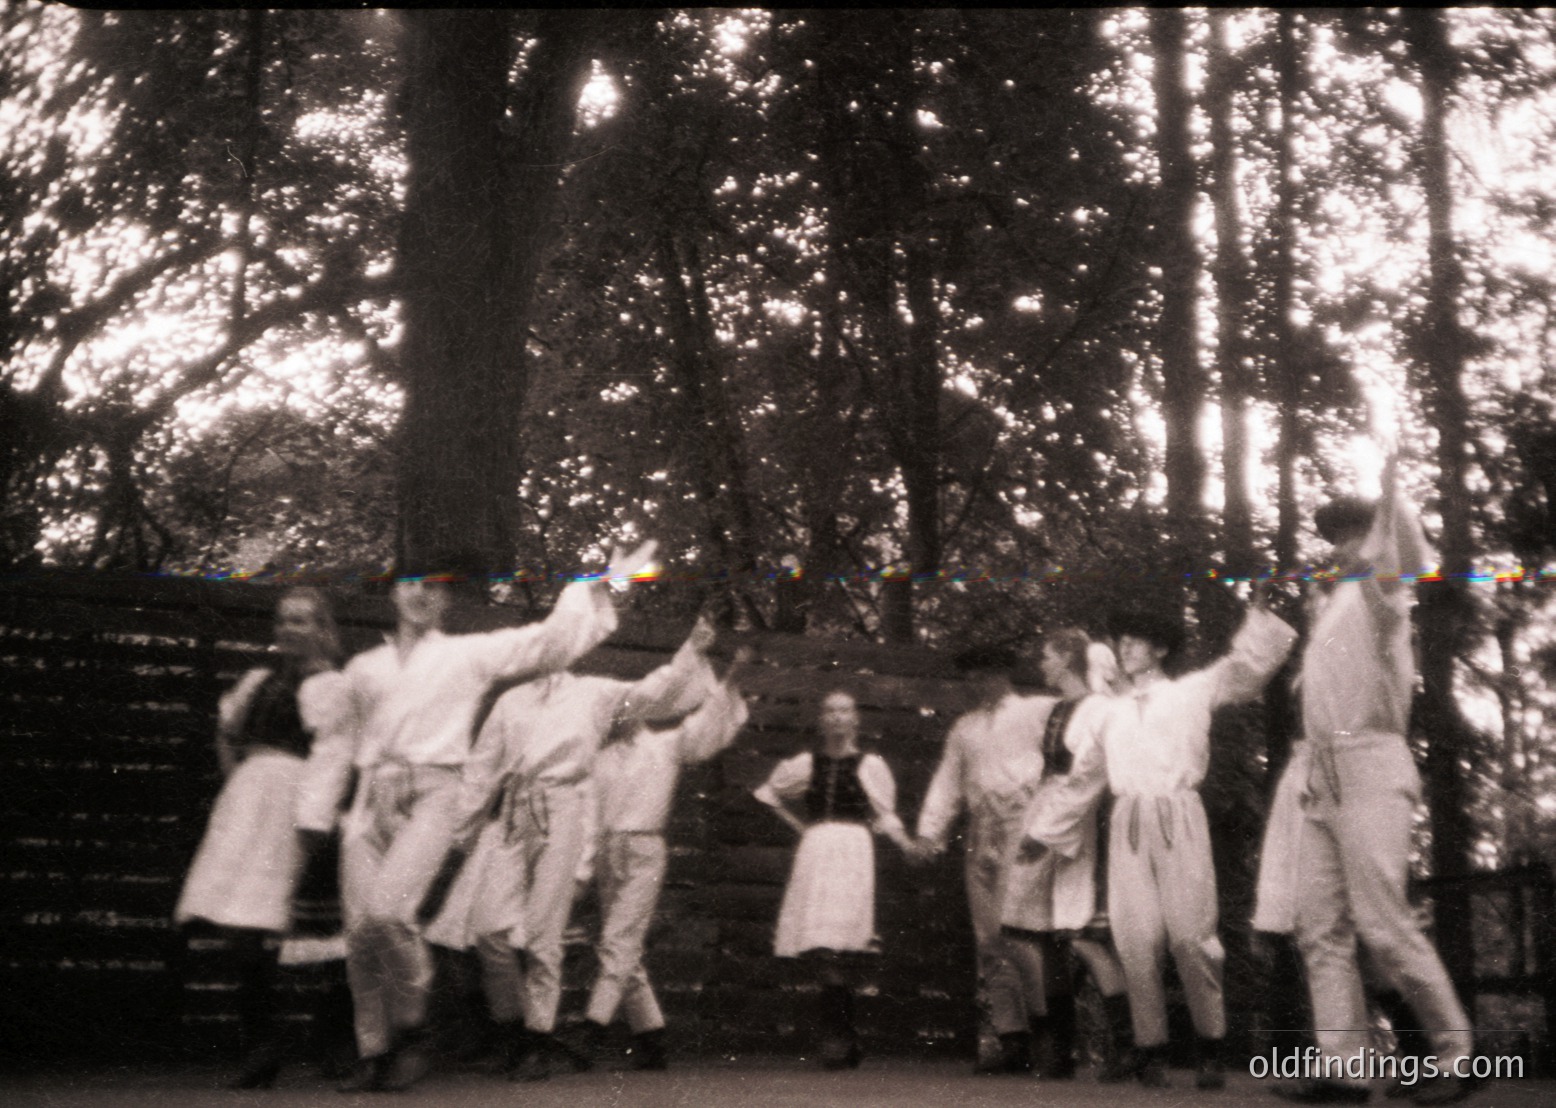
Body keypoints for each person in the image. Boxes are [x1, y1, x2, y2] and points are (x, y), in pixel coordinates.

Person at [294, 541, 658, 1093]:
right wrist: (314, 817)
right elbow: (337, 742)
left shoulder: (466, 655)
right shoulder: (365, 668)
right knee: (361, 933)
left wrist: (596, 585)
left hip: (434, 792)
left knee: (389, 913)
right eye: (411, 583)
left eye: (433, 587)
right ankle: (375, 1052)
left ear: (447, 601)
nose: (420, 594)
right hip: (372, 797)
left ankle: (413, 1027)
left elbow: (546, 641)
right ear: (393, 591)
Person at [1256, 458, 1477, 1106]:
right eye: (1336, 537)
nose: (1342, 546)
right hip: (1319, 772)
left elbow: (1402, 559)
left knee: (1383, 923)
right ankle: (1344, 1068)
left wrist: (1390, 494)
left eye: (1356, 534)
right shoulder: (1332, 609)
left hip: (1372, 764)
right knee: (1318, 926)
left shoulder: (1386, 596)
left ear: (1377, 538)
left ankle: (1457, 1055)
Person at [429, 614, 719, 1081]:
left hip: (563, 808)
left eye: (561, 642)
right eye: (544, 642)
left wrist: (692, 651)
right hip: (515, 811)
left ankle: (536, 1038)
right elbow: (482, 769)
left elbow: (651, 693)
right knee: (488, 930)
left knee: (543, 933)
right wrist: (458, 833)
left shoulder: (593, 693)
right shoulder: (509, 701)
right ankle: (512, 1025)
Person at [1025, 601, 1296, 1089]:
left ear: (1161, 649)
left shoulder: (1190, 691)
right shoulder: (1109, 713)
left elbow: (1244, 668)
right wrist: (1042, 833)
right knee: (1136, 938)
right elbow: (1084, 779)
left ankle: (1210, 1046)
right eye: (1122, 640)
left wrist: (1260, 618)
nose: (1125, 648)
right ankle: (1150, 1049)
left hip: (1179, 818)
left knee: (1191, 936)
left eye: (1137, 640)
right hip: (1129, 821)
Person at [175, 586, 348, 1089]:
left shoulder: (333, 687)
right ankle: (261, 1046)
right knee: (240, 921)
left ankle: (335, 1041)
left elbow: (336, 755)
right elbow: (226, 733)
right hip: (248, 802)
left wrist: (314, 812)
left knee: (311, 926)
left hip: (300, 803)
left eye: (301, 620)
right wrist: (240, 779)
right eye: (283, 620)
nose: (288, 628)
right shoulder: (256, 681)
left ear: (322, 629)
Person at [575, 643, 753, 1070]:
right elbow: (588, 818)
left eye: (629, 704)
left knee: (618, 941)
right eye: (614, 707)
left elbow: (706, 724)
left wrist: (732, 678)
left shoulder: (665, 745)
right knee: (624, 947)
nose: (622, 713)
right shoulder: (598, 759)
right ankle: (652, 1039)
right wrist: (584, 867)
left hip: (644, 851)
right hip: (608, 853)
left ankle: (591, 1030)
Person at [754, 689, 917, 1069]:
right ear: (821, 720)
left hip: (853, 851)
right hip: (816, 849)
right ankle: (839, 1036)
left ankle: (840, 1036)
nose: (838, 717)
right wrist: (801, 827)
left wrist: (906, 844)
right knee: (818, 943)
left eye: (845, 710)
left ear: (856, 719)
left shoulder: (870, 765)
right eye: (830, 711)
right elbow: (768, 794)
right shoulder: (805, 764)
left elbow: (885, 815)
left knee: (844, 942)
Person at [914, 645, 1055, 1074]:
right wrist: (929, 832)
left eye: (985, 673)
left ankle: (1048, 1034)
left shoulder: (1037, 711)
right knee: (990, 937)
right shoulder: (965, 728)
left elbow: (1070, 756)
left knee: (1023, 932)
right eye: (971, 676)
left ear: (1003, 673)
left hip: (1025, 829)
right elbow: (947, 782)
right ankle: (1012, 1039)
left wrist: (1051, 822)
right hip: (982, 831)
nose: (976, 683)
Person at [1004, 629, 1136, 1081]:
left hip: (1084, 827)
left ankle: (1129, 1047)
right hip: (1050, 816)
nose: (1041, 664)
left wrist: (1045, 832)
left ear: (1065, 657)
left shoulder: (1097, 708)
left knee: (1082, 935)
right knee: (1044, 936)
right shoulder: (1059, 708)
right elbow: (1049, 771)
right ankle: (1059, 1048)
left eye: (1046, 656)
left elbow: (1087, 780)